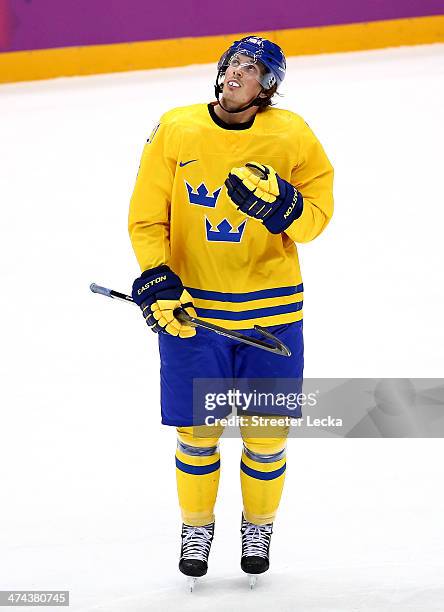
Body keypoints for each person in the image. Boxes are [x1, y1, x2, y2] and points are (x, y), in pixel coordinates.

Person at [128, 35, 334, 584]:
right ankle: (197, 525)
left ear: (268, 87)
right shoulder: (176, 128)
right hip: (193, 312)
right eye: (233, 64)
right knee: (198, 431)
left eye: (252, 69)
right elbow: (149, 217)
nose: (237, 73)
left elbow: (316, 218)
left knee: (267, 433)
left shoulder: (292, 135)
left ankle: (258, 523)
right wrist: (157, 274)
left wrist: (284, 205)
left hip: (272, 311)